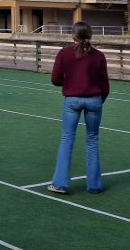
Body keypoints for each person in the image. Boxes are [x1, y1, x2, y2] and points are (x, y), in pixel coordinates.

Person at [47, 21, 110, 195]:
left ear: (73, 35)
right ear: (90, 35)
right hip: (94, 100)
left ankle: (60, 184)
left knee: (67, 139)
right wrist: (99, 100)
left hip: (72, 100)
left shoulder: (64, 53)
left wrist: (70, 83)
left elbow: (55, 79)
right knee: (92, 140)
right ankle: (94, 185)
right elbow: (104, 85)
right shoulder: (98, 56)